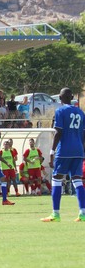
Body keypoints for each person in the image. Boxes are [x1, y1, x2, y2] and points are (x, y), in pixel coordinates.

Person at [42, 88, 85, 222]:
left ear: (60, 98)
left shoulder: (60, 111)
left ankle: (56, 214)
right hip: (78, 150)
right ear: (71, 97)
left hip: (64, 150)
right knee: (77, 180)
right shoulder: (80, 112)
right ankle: (82, 213)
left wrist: (52, 152)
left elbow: (58, 132)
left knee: (56, 179)